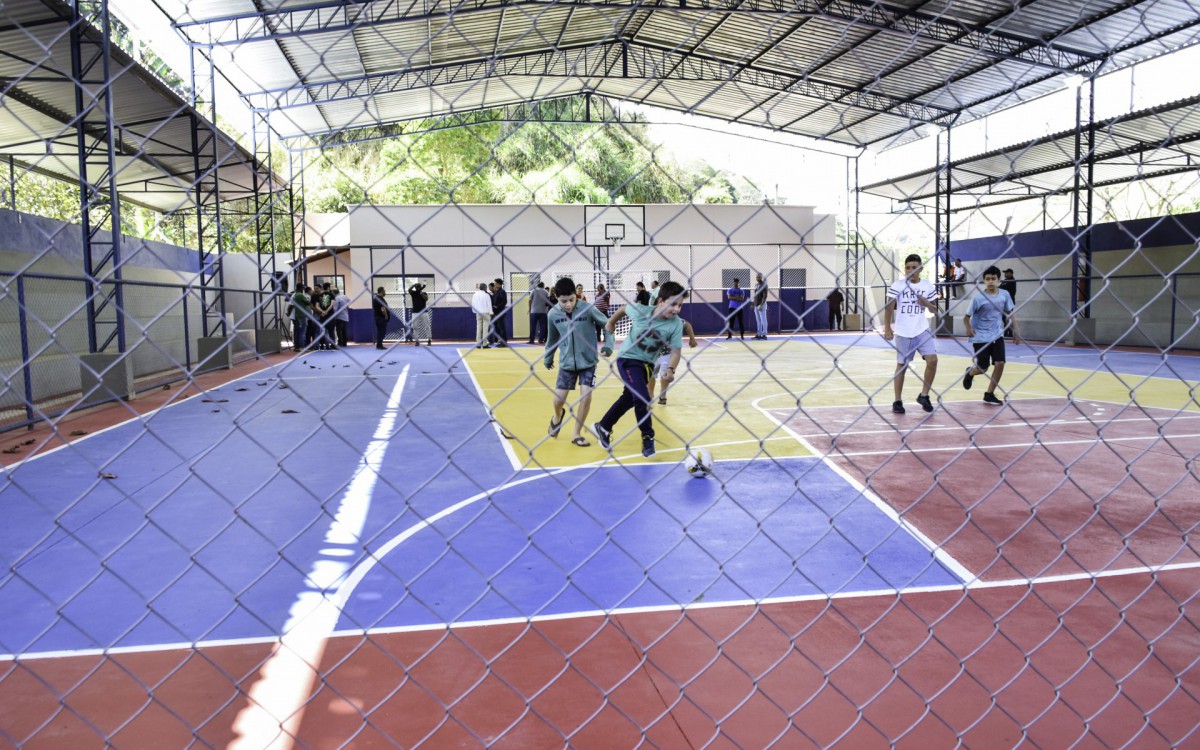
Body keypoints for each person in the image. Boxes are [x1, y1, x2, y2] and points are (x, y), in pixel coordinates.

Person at [593, 280, 688, 458]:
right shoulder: (640, 311)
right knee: (642, 397)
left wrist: (671, 370)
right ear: (661, 301)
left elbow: (676, 352)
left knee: (630, 398)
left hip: (646, 365)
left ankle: (603, 426)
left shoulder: (675, 324)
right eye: (673, 304)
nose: (676, 309)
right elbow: (623, 308)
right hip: (628, 359)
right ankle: (647, 437)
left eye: (680, 306)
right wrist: (611, 323)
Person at [543, 277, 613, 447]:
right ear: (557, 298)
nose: (568, 304)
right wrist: (548, 356)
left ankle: (576, 432)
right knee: (558, 401)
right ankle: (557, 417)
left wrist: (609, 344)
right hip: (566, 363)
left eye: (571, 300)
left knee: (586, 397)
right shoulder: (553, 314)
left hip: (588, 362)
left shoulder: (588, 309)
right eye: (563, 301)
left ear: (576, 296)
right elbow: (552, 339)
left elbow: (608, 325)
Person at [882, 254, 939, 414]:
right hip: (903, 330)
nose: (910, 270)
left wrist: (926, 303)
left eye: (914, 267)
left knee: (933, 360)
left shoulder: (927, 285)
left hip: (922, 329)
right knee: (902, 365)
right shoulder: (898, 285)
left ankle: (924, 395)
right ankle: (897, 400)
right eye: (907, 267)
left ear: (920, 269)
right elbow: (889, 307)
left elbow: (934, 310)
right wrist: (888, 327)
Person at [963, 265, 1021, 405]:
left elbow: (1011, 313)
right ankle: (970, 372)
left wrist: (1016, 330)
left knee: (1000, 363)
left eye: (993, 279)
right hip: (980, 336)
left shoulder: (1004, 295)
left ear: (998, 280)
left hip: (996, 335)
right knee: (982, 368)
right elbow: (966, 317)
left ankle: (989, 393)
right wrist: (968, 328)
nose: (990, 281)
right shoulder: (978, 298)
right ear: (984, 281)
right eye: (987, 279)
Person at [649, 320, 697, 405]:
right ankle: (650, 395)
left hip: (668, 353)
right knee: (650, 375)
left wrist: (692, 339)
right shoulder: (650, 319)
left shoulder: (676, 320)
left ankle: (662, 395)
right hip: (653, 352)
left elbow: (687, 325)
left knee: (666, 375)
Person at [472, 282, 493, 349]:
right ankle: (484, 344)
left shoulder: (475, 294)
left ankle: (478, 344)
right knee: (485, 329)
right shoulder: (486, 295)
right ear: (485, 288)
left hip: (478, 313)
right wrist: (491, 313)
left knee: (478, 328)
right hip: (486, 313)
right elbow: (489, 305)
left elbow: (473, 304)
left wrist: (475, 311)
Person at [290, 285, 311, 351]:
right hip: (301, 314)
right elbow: (308, 303)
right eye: (303, 288)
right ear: (301, 288)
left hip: (295, 315)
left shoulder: (294, 295)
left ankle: (297, 346)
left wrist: (288, 313)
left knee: (297, 331)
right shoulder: (301, 295)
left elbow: (290, 306)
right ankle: (302, 346)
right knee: (302, 331)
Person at [1000, 269, 1018, 339]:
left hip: (1009, 302)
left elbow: (1005, 290)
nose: (1005, 274)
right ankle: (1008, 332)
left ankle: (1008, 333)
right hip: (1003, 302)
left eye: (1007, 273)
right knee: (1004, 317)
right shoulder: (1004, 281)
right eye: (1005, 273)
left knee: (1007, 317)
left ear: (1011, 273)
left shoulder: (1012, 281)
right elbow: (1000, 288)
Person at [491, 278, 508, 347]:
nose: (494, 285)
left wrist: (497, 307)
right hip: (497, 312)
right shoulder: (497, 291)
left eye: (495, 283)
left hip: (500, 312)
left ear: (499, 284)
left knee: (502, 327)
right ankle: (502, 341)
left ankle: (504, 342)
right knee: (499, 327)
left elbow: (504, 302)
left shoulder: (502, 291)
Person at [753, 272, 769, 339]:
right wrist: (753, 304)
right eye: (757, 277)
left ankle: (764, 335)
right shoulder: (756, 285)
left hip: (761, 305)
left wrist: (761, 305)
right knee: (758, 320)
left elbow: (765, 296)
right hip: (756, 305)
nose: (758, 278)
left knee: (763, 320)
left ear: (761, 277)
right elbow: (755, 295)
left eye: (759, 277)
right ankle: (759, 334)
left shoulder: (764, 285)